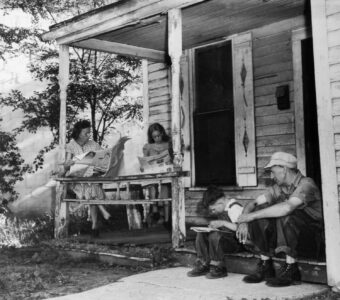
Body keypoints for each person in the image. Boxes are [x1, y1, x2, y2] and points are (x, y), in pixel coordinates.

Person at [236, 152, 324, 287]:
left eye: (273, 172)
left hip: (312, 240)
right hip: (292, 239)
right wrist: (244, 220)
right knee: (258, 214)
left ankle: (292, 269)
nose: (271, 176)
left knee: (287, 215)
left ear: (284, 168)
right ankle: (266, 264)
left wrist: (250, 216)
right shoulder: (278, 188)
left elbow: (287, 207)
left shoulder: (307, 184)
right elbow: (253, 203)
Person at [63, 120, 111, 237]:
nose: (88, 135)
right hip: (77, 180)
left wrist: (102, 161)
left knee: (92, 186)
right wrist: (68, 164)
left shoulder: (93, 144)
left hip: (90, 177)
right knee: (91, 188)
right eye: (86, 133)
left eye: (89, 133)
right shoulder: (71, 145)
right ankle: (98, 218)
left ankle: (95, 225)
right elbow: (66, 167)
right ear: (78, 133)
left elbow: (103, 157)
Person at [187, 186, 243, 279]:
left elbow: (240, 228)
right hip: (224, 241)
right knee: (201, 233)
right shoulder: (223, 208)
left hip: (237, 243)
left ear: (220, 202)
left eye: (213, 209)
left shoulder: (234, 208)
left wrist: (222, 223)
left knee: (215, 235)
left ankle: (219, 266)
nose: (213, 212)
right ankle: (203, 263)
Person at [142, 123, 172, 227]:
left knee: (165, 189)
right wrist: (145, 165)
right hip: (153, 174)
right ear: (151, 137)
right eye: (154, 137)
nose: (157, 138)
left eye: (159, 135)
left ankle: (168, 219)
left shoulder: (168, 144)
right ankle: (154, 208)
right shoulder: (148, 147)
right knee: (151, 184)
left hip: (165, 172)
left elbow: (173, 158)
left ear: (162, 133)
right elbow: (145, 161)